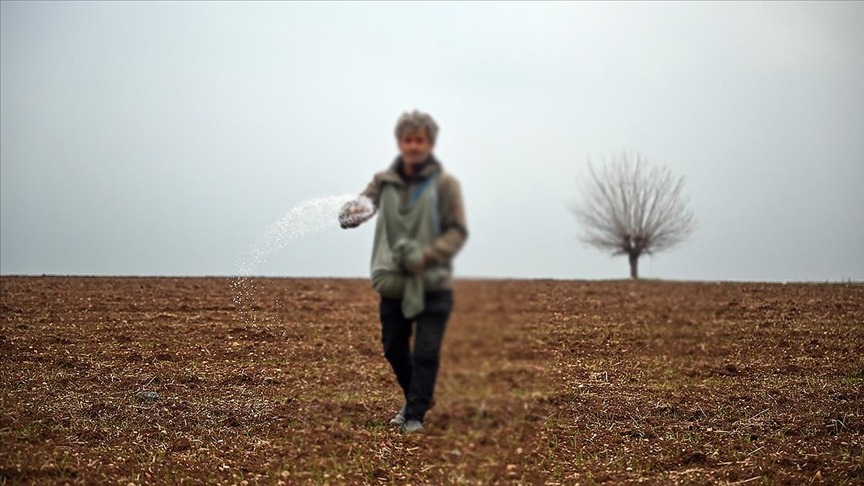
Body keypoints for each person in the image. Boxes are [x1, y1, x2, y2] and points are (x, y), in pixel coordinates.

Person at [339, 110, 468, 434]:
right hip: (395, 282)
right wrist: (352, 213)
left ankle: (414, 416)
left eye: (419, 140)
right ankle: (417, 397)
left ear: (430, 143)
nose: (413, 146)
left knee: (425, 351)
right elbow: (360, 208)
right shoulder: (384, 182)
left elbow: (457, 231)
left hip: (432, 282)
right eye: (407, 140)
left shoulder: (445, 185)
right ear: (400, 142)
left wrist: (427, 256)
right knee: (394, 346)